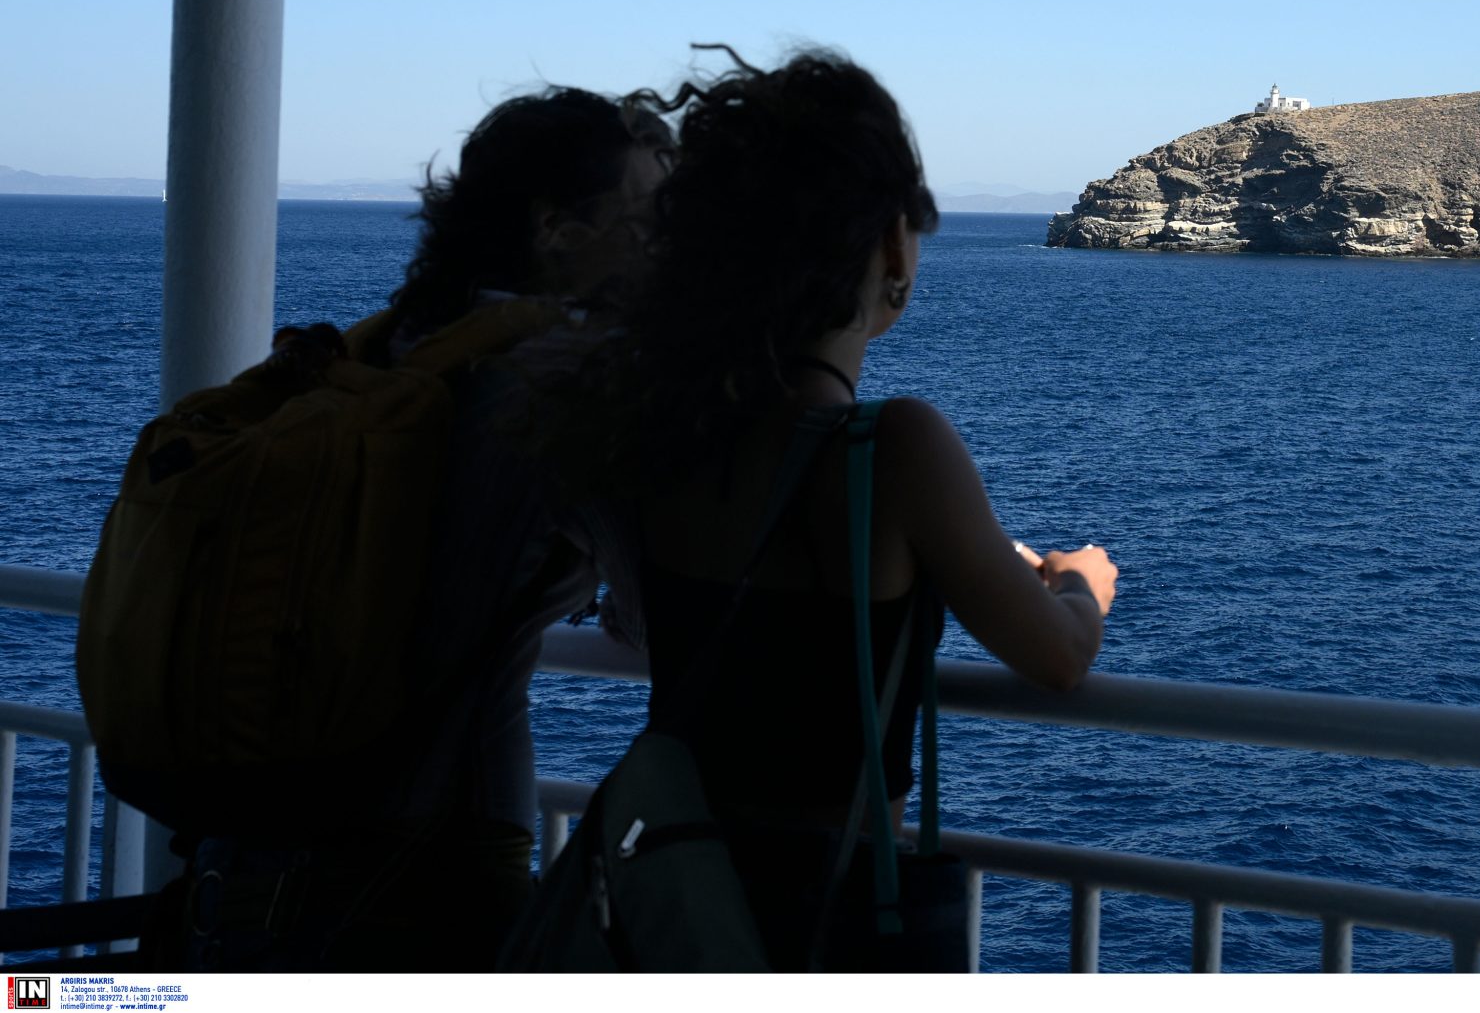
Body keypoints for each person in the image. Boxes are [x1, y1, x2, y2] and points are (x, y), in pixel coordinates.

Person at [548, 48, 1116, 969]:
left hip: (676, 910)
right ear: (892, 246)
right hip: (827, 922)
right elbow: (1057, 658)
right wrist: (1080, 585)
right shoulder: (894, 447)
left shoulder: (659, 434)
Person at [177, 86, 671, 970]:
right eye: (645, 217)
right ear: (557, 229)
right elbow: (657, 621)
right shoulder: (565, 383)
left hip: (253, 848)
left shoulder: (386, 351)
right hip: (436, 862)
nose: (666, 243)